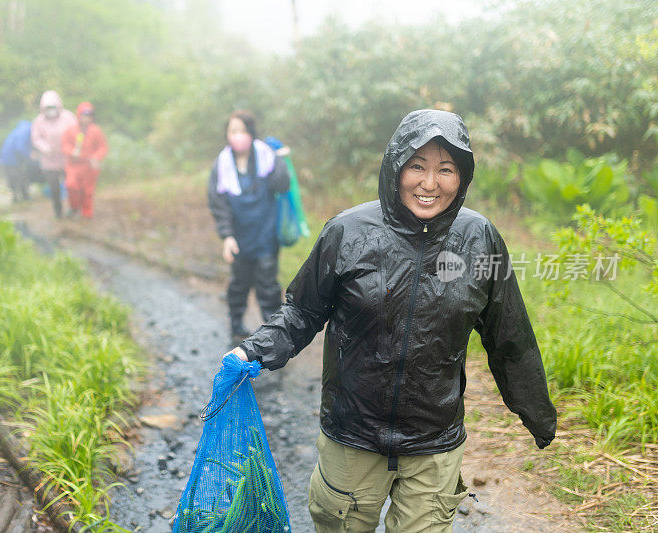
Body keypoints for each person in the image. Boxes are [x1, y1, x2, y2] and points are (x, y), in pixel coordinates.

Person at [228, 109, 557, 532]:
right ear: (395, 167)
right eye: (417, 166)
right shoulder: (348, 232)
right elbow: (303, 310)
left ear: (463, 177)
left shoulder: (480, 239)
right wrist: (253, 350)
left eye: (446, 169)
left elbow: (510, 336)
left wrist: (537, 414)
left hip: (434, 441)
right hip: (352, 436)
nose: (429, 183)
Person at [208, 110, 290, 345]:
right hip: (239, 236)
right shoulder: (221, 165)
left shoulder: (266, 156)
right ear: (227, 134)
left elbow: (282, 186)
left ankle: (274, 334)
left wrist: (279, 158)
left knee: (268, 284)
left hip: (265, 233)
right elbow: (217, 202)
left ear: (251, 133)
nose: (238, 136)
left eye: (243, 130)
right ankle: (236, 325)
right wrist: (227, 236)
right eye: (234, 131)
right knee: (239, 283)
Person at [31, 90, 77, 218]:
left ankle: (74, 209)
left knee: (72, 185)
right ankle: (58, 212)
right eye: (47, 108)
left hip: (67, 158)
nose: (50, 110)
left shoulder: (68, 117)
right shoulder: (39, 121)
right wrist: (45, 148)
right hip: (49, 161)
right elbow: (36, 139)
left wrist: (72, 148)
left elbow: (76, 133)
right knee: (55, 189)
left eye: (52, 107)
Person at [60, 102, 108, 219]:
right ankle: (74, 208)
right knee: (71, 186)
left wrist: (97, 156)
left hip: (89, 166)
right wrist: (72, 152)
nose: (86, 119)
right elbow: (64, 144)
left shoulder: (96, 131)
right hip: (74, 165)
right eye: (84, 116)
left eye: (89, 117)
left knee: (88, 191)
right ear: (79, 116)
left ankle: (87, 213)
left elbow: (102, 147)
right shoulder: (71, 130)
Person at [0, 120, 38, 202]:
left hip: (5, 157)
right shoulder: (27, 131)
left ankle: (16, 197)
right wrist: (29, 154)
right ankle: (24, 196)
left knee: (12, 178)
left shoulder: (20, 130)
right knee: (22, 176)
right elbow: (20, 147)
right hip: (13, 158)